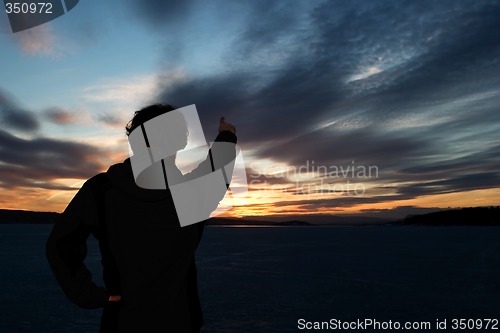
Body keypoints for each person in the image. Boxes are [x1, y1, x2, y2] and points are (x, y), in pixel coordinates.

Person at [46, 104, 237, 333]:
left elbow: (61, 244)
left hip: (122, 322)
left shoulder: (102, 190)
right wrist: (227, 136)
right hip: (180, 322)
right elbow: (215, 172)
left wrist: (90, 295)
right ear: (181, 142)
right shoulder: (191, 195)